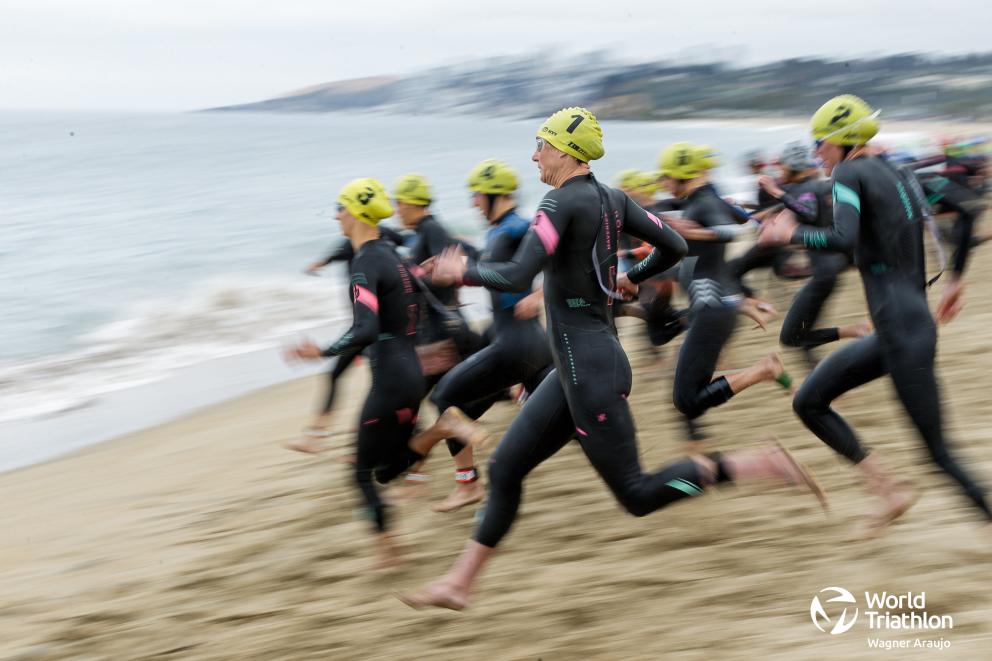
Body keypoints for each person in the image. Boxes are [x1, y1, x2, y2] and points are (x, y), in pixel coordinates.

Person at [400, 107, 826, 611]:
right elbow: (672, 244)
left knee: (638, 494)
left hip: (591, 375)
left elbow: (517, 276)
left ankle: (755, 464)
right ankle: (459, 584)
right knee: (509, 466)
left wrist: (462, 272)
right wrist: (635, 274)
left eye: (540, 143)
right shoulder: (613, 198)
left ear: (564, 150)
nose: (535, 154)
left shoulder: (557, 204)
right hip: (581, 367)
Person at [760, 95, 992, 534]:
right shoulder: (903, 171)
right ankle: (887, 488)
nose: (816, 154)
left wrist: (791, 234)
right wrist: (957, 278)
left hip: (903, 333)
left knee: (938, 452)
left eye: (820, 143)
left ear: (844, 141)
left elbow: (843, 237)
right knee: (808, 401)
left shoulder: (850, 171)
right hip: (899, 329)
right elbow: (969, 208)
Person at [284, 178, 475, 566]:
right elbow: (424, 298)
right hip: (409, 373)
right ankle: (442, 428)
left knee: (359, 473)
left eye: (339, 207)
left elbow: (365, 329)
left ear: (355, 212)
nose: (336, 215)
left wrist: (320, 351)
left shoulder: (365, 263)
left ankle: (387, 548)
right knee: (388, 469)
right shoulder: (392, 256)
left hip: (389, 379)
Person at [410, 159, 553, 513]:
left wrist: (540, 294)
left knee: (444, 400)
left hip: (515, 343)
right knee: (468, 408)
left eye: (476, 195)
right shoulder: (499, 232)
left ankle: (467, 485)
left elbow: (568, 258)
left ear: (493, 194)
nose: (473, 203)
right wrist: (457, 262)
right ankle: (467, 482)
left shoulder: (518, 225)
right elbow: (495, 263)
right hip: (526, 342)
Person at [658, 142, 792, 443]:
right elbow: (741, 220)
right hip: (712, 306)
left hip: (710, 308)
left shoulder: (704, 201)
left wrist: (692, 232)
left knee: (687, 400)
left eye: (666, 176)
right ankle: (762, 371)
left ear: (682, 173)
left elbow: (733, 231)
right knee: (686, 396)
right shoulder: (700, 200)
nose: (663, 183)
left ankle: (763, 370)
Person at [290, 224, 410, 454]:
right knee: (337, 375)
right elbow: (341, 250)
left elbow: (407, 241)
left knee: (382, 387)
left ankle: (373, 444)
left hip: (374, 331)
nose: (338, 217)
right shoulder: (361, 244)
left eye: (343, 211)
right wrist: (322, 262)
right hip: (363, 328)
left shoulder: (373, 247)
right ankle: (319, 434)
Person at [759, 142, 871, 365]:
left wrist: (776, 192)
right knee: (799, 335)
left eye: (783, 167)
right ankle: (824, 374)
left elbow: (809, 213)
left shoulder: (805, 188)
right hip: (828, 269)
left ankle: (854, 331)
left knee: (793, 337)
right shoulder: (818, 185)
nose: (779, 172)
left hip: (824, 274)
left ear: (794, 167)